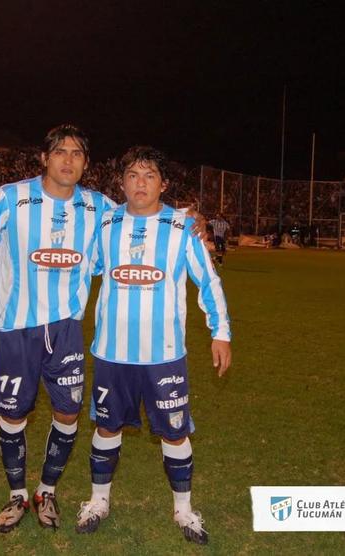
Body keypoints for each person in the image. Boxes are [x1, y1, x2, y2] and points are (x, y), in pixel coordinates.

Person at [0, 125, 116, 533]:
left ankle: (46, 490)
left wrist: (190, 217)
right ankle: (17, 494)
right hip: (15, 328)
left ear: (86, 163)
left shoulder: (97, 206)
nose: (68, 159)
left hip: (65, 329)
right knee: (13, 414)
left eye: (77, 153)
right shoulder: (12, 197)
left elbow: (143, 215)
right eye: (60, 151)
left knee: (68, 411)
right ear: (44, 158)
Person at [75, 146, 232, 545]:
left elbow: (208, 282)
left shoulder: (182, 228)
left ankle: (183, 510)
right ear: (121, 183)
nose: (139, 183)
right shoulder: (106, 224)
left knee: (175, 432)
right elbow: (82, 266)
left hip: (164, 356)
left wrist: (221, 333)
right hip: (112, 353)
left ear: (163, 184)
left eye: (149, 176)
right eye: (132, 175)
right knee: (107, 425)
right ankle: (98, 501)